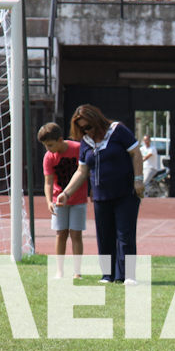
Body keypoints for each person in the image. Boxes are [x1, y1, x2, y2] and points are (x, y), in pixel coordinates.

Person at [57, 105, 143, 284]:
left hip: (125, 193)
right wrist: (66, 193)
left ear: (97, 120)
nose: (86, 131)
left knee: (125, 235)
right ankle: (108, 275)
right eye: (82, 128)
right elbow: (81, 171)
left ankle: (127, 275)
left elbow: (136, 153)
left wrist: (139, 180)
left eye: (88, 126)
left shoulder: (118, 130)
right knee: (104, 236)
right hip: (100, 197)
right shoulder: (86, 142)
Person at [39, 122, 84, 280]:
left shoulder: (77, 149)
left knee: (76, 234)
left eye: (50, 145)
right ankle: (59, 270)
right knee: (60, 234)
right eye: (45, 146)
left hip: (78, 199)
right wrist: (49, 202)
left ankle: (77, 271)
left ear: (60, 140)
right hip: (58, 201)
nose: (48, 149)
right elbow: (48, 182)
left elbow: (84, 172)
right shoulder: (49, 157)